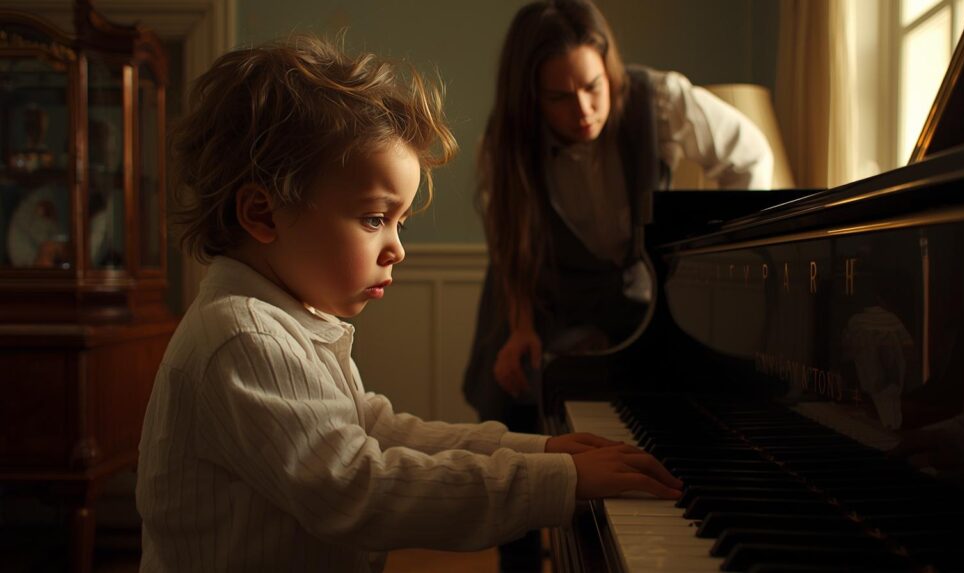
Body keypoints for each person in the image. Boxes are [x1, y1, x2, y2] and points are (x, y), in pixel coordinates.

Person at [135, 36, 682, 573]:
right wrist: (561, 481)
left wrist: (540, 450)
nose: (397, 247)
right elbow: (359, 491)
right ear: (263, 214)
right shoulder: (244, 337)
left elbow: (373, 427)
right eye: (376, 218)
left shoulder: (291, 319)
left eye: (399, 222)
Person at [462, 1, 774, 569]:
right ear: (530, 98)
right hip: (538, 289)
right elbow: (510, 244)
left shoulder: (661, 100)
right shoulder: (503, 144)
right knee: (514, 413)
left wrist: (716, 256)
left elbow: (750, 156)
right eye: (558, 96)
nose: (582, 110)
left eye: (592, 87)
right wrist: (522, 326)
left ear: (609, 69)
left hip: (632, 296)